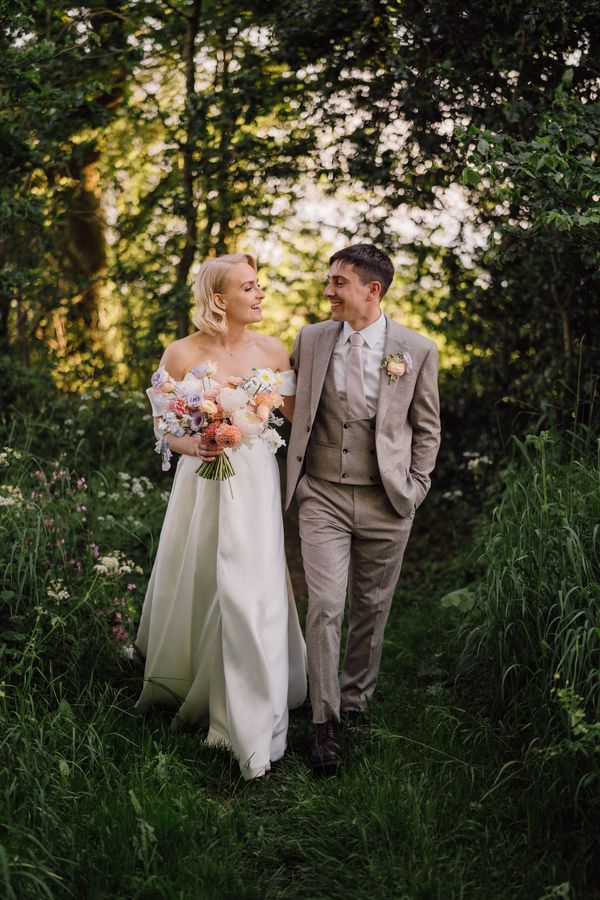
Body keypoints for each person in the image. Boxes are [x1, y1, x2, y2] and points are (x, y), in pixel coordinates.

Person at [134, 252, 307, 781]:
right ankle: (193, 681)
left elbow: (296, 421)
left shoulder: (274, 350)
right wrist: (194, 444)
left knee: (248, 586)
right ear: (218, 299)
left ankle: (249, 710)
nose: (260, 295)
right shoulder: (182, 353)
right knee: (202, 576)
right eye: (249, 288)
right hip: (202, 482)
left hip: (253, 482)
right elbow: (165, 426)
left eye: (259, 286)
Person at [286, 243, 440, 773]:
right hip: (322, 495)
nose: (327, 291)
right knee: (325, 605)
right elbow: (281, 397)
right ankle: (324, 721)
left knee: (371, 610)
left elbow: (427, 427)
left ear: (372, 291)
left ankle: (355, 703)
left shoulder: (415, 350)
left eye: (338, 283)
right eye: (328, 281)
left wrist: (415, 488)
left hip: (387, 500)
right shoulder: (309, 340)